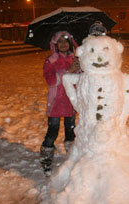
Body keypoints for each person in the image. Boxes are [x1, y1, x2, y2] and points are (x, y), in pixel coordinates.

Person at [40, 31, 80, 170]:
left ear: (70, 43)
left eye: (66, 41)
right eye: (60, 41)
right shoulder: (50, 60)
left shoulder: (76, 59)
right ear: (55, 44)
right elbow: (51, 81)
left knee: (71, 131)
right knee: (53, 132)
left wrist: (79, 69)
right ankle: (46, 157)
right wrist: (68, 70)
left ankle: (71, 156)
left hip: (71, 100)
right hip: (56, 101)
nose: (63, 44)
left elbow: (79, 80)